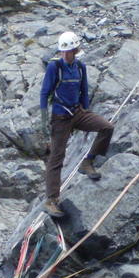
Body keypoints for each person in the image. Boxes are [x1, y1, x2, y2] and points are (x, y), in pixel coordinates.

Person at [40, 31, 114, 218]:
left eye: (69, 51)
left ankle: (87, 161)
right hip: (60, 117)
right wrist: (43, 118)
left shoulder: (80, 67)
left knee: (106, 127)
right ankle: (51, 200)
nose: (65, 55)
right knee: (56, 157)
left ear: (75, 50)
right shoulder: (54, 68)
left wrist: (86, 112)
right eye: (63, 52)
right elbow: (44, 93)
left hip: (78, 112)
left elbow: (84, 90)